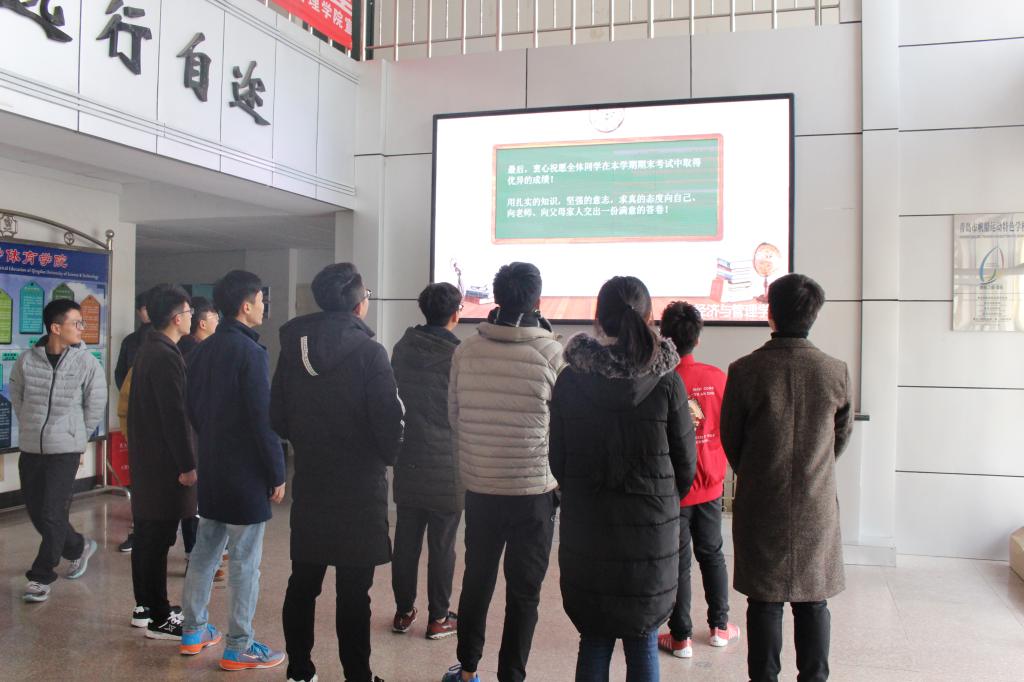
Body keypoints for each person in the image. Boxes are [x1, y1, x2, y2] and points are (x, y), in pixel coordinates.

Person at [550, 276, 697, 682]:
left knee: (594, 637)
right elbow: (686, 466)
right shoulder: (668, 382)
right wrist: (660, 500)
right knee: (644, 637)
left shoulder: (571, 380)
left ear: (599, 320)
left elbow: (558, 460)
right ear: (650, 319)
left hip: (588, 528)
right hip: (651, 533)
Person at [272, 263, 403, 682]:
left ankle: (299, 671)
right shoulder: (370, 353)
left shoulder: (293, 349)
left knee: (303, 581)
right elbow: (388, 422)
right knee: (354, 591)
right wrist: (387, 455)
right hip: (360, 488)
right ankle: (357, 676)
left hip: (312, 481)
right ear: (359, 304)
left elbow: (277, 417)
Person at [720, 273, 854, 682]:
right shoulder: (835, 371)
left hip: (762, 501)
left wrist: (759, 471)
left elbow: (731, 439)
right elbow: (839, 437)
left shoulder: (745, 370)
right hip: (816, 504)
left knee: (763, 602)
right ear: (814, 315)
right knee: (814, 601)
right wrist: (812, 468)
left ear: (770, 314)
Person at [442, 262, 564, 682]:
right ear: (537, 300)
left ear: (497, 297)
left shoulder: (466, 350)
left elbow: (454, 416)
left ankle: (467, 671)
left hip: (481, 488)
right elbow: (562, 428)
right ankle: (512, 676)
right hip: (534, 493)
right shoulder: (553, 354)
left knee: (477, 581)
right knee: (524, 593)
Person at [179, 270, 287, 671]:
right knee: (244, 561)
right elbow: (262, 419)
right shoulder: (250, 353)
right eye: (260, 301)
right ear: (245, 305)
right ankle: (239, 644)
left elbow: (191, 407)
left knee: (205, 552)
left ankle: (193, 631)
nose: (263, 307)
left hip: (213, 466)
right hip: (245, 474)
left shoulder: (202, 350)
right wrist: (276, 471)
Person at [657, 302, 740, 659]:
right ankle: (720, 627)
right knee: (712, 554)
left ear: (663, 337)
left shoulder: (659, 381)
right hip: (710, 486)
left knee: (678, 561)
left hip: (672, 490)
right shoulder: (718, 378)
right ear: (698, 338)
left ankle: (681, 638)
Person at [12, 299, 106, 603]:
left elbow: (95, 403)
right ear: (56, 327)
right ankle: (78, 546)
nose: (82, 328)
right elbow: (17, 396)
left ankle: (41, 577)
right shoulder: (26, 360)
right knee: (38, 513)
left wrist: (77, 436)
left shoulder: (86, 362)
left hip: (65, 449)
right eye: (76, 323)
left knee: (52, 512)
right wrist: (30, 426)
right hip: (32, 448)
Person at [389, 283, 463, 640]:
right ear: (455, 315)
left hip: (409, 456)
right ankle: (439, 618)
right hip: (447, 461)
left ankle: (403, 612)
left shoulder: (402, 348)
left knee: (406, 538)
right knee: (443, 543)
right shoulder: (460, 355)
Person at [126, 284, 200, 640]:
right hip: (164, 465)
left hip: (150, 461)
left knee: (148, 537)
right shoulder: (165, 355)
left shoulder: (150, 348)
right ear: (175, 317)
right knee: (156, 540)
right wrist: (187, 464)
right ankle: (159, 615)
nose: (191, 318)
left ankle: (146, 606)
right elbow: (175, 416)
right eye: (188, 312)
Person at [176, 295, 219, 571]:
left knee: (194, 496)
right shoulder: (197, 354)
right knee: (196, 496)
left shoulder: (186, 349)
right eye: (215, 318)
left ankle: (196, 550)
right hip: (197, 434)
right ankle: (196, 551)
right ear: (202, 323)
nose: (218, 322)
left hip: (194, 432)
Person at [115, 288, 153, 554]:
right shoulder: (132, 341)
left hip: (166, 422)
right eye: (146, 307)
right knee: (141, 480)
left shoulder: (177, 341)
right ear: (140, 312)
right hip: (139, 417)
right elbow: (121, 374)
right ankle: (139, 531)